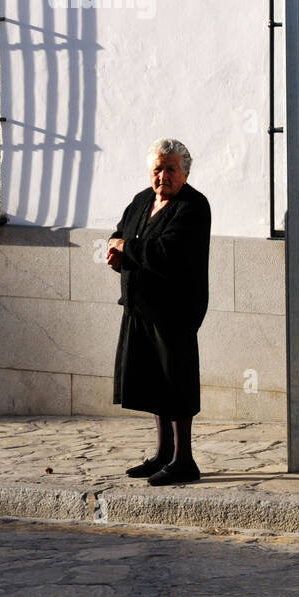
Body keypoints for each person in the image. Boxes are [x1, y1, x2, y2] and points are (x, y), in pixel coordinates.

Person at [106, 138, 211, 485]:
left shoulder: (193, 207)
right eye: (157, 169)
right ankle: (163, 453)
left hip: (175, 310)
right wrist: (114, 250)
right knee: (153, 380)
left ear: (184, 173)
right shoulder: (141, 201)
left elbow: (170, 252)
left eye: (170, 169)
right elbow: (121, 233)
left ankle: (184, 460)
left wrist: (128, 249)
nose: (163, 175)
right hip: (140, 308)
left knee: (175, 381)